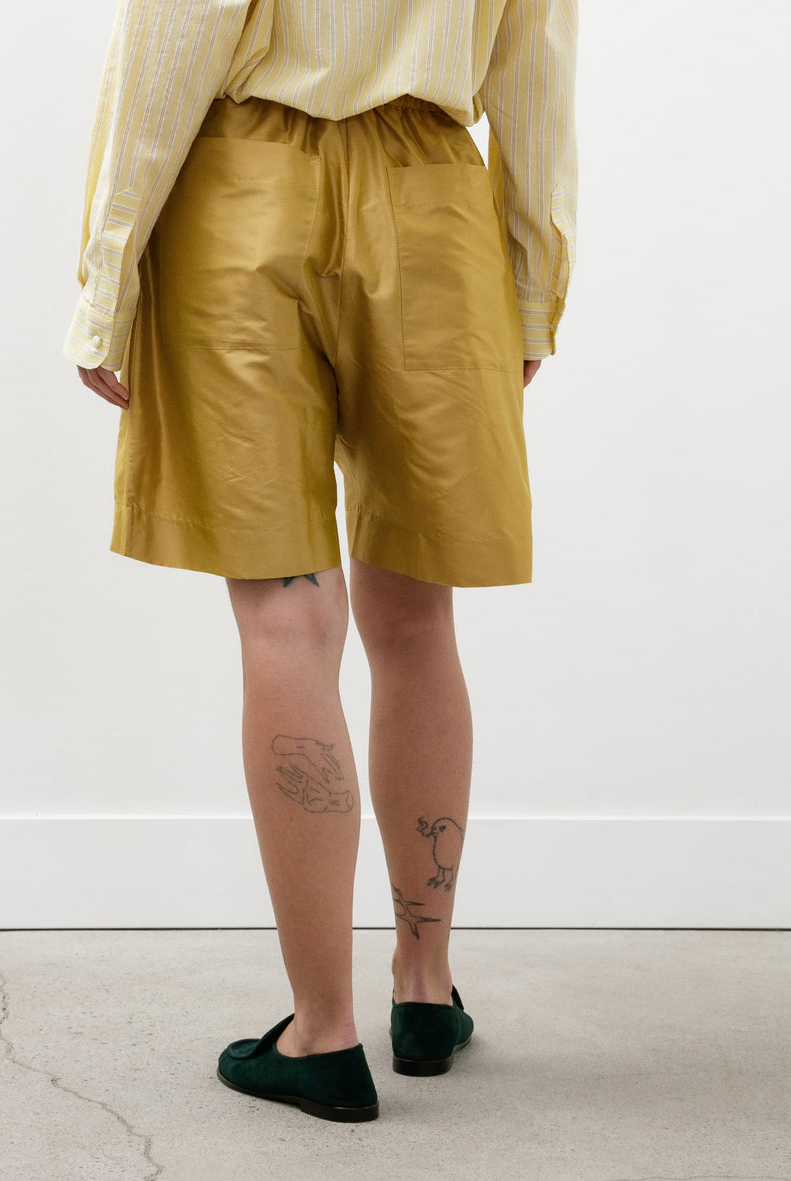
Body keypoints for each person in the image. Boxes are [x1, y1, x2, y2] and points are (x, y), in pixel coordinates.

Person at [65, 0, 577, 1123]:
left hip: (245, 194)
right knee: (418, 617)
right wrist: (535, 286)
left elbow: (175, 34)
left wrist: (108, 271)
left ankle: (322, 1030)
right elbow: (534, 61)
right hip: (435, 201)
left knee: (286, 616)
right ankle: (424, 987)